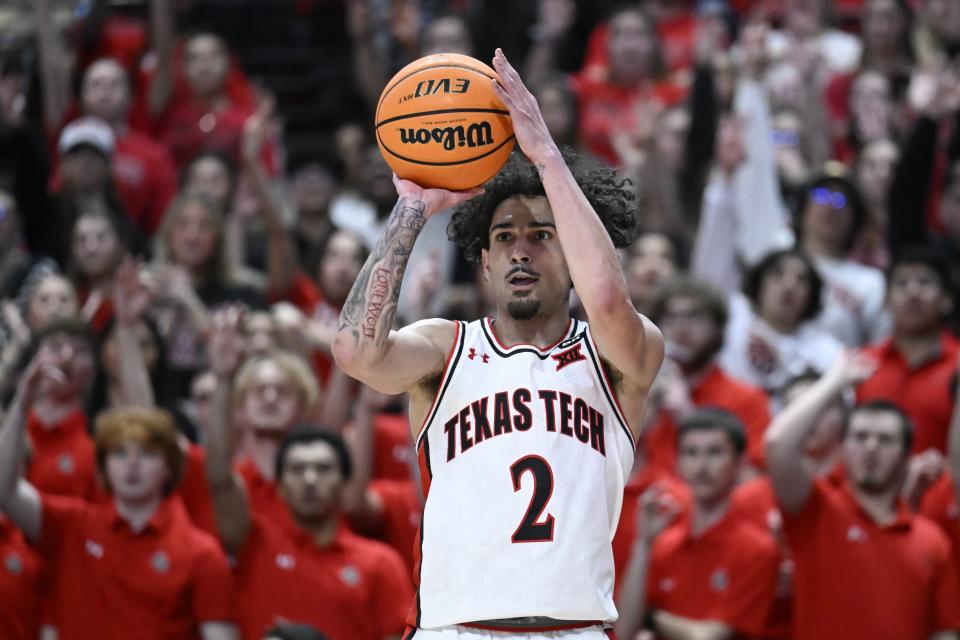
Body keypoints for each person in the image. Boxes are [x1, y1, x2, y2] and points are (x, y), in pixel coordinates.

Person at [333, 49, 664, 636]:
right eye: (505, 237)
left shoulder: (619, 356)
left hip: (575, 629)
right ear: (483, 263)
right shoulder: (443, 349)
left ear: (574, 254)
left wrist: (544, 154)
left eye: (542, 236)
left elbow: (608, 302)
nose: (520, 250)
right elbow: (356, 352)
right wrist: (413, 207)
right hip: (456, 628)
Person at [204, 312, 411, 640]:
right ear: (281, 485)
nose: (311, 479)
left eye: (323, 469)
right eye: (298, 470)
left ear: (345, 483)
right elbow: (218, 477)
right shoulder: (254, 541)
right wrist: (223, 378)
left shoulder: (380, 564)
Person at [0, 392, 238, 639]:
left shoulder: (201, 554)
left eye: (147, 453)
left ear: (170, 467)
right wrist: (20, 406)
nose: (132, 464)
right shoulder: (71, 526)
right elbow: (5, 492)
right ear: (103, 466)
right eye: (120, 453)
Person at [764, 351, 960, 640]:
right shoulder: (818, 510)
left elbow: (944, 632)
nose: (870, 447)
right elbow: (777, 444)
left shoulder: (932, 540)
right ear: (842, 448)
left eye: (885, 439)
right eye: (859, 436)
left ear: (907, 455)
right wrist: (836, 381)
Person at [616, 409, 780, 640]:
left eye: (715, 452)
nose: (701, 466)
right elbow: (624, 631)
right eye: (691, 453)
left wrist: (652, 619)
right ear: (677, 462)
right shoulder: (664, 544)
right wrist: (643, 544)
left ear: (740, 462)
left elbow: (708, 637)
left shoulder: (758, 550)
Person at [644, 275, 772, 474]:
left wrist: (686, 416)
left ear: (717, 328)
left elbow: (754, 483)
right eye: (670, 317)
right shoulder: (639, 393)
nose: (681, 328)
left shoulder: (748, 399)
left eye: (695, 317)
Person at [856, 247, 958, 454]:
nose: (913, 292)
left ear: (947, 301)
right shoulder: (860, 364)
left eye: (925, 282)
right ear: (886, 302)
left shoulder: (957, 363)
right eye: (902, 284)